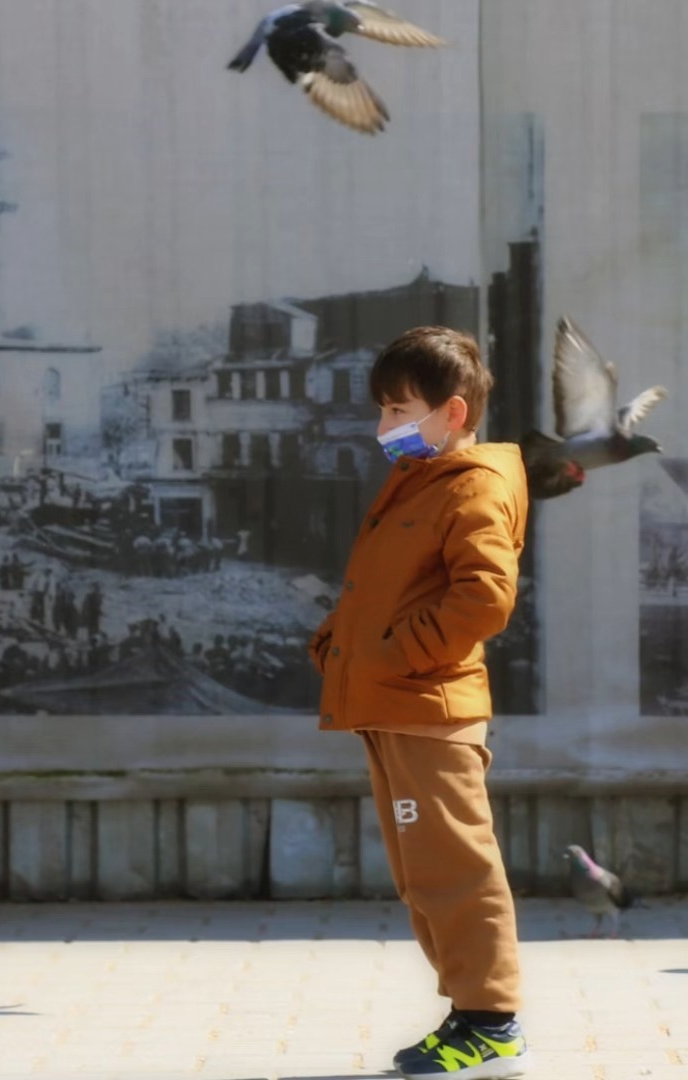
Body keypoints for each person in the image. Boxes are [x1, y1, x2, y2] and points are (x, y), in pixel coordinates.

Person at [306, 327, 531, 1079]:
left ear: (454, 412)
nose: (384, 428)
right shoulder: (424, 481)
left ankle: (492, 1022)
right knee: (423, 874)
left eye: (398, 409)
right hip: (398, 703)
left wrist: (392, 655)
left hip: (427, 708)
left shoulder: (471, 485)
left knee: (454, 869)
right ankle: (471, 1016)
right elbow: (398, 590)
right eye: (382, 410)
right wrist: (340, 642)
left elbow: (485, 598)